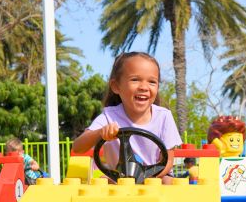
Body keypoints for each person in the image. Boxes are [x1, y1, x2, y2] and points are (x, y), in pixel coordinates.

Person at [72, 52, 181, 182]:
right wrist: (101, 133)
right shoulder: (109, 116)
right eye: (135, 80)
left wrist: (145, 177)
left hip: (156, 176)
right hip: (119, 178)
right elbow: (77, 147)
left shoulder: (163, 116)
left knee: (169, 182)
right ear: (116, 87)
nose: (144, 87)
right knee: (103, 182)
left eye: (152, 82)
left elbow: (168, 160)